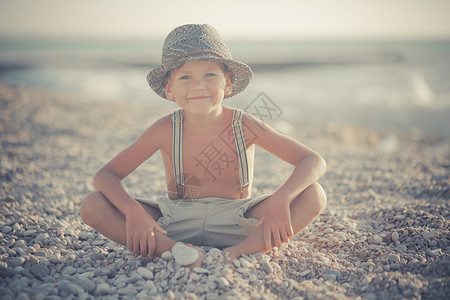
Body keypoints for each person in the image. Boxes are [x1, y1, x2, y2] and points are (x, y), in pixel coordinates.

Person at [80, 24, 327, 269]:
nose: (198, 85)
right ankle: (173, 250)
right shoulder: (164, 129)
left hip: (238, 219)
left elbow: (313, 160)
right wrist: (133, 211)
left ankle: (238, 252)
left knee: (314, 195)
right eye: (185, 77)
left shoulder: (244, 125)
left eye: (209, 75)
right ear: (169, 89)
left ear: (227, 83)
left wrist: (282, 198)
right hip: (174, 221)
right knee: (92, 205)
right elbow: (106, 175)